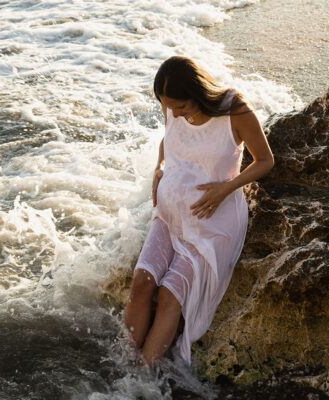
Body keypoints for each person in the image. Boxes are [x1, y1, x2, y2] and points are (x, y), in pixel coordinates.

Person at [123, 56, 275, 367]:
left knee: (168, 296)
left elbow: (265, 160)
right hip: (169, 217)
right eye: (168, 107)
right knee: (142, 282)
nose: (174, 114)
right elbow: (169, 137)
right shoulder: (173, 109)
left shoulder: (235, 110)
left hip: (212, 222)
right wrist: (159, 167)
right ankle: (121, 365)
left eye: (180, 107)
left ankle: (142, 377)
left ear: (198, 91)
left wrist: (226, 187)